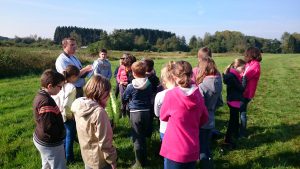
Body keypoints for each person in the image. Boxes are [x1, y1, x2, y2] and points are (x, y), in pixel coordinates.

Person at [159, 61, 208, 169]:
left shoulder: (170, 95)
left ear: (173, 76)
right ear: (192, 75)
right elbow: (205, 117)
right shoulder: (198, 94)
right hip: (192, 147)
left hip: (174, 148)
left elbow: (163, 116)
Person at [71, 75, 117, 169]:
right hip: (100, 161)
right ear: (100, 93)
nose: (108, 96)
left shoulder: (78, 104)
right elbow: (105, 143)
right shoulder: (99, 113)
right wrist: (112, 160)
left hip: (86, 155)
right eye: (107, 94)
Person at [33, 69, 66, 169]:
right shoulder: (46, 102)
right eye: (60, 87)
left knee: (47, 164)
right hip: (50, 143)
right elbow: (48, 127)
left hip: (41, 138)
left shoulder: (41, 94)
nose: (61, 89)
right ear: (50, 86)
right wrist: (61, 134)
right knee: (58, 165)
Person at [123, 61, 153, 168]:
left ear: (133, 73)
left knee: (137, 137)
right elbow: (150, 96)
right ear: (145, 72)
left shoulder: (131, 86)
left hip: (135, 112)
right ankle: (145, 159)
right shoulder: (149, 84)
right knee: (143, 136)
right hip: (146, 112)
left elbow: (124, 97)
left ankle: (138, 163)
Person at [195, 57, 223, 168]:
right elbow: (220, 102)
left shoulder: (202, 86)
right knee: (206, 144)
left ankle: (205, 165)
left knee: (202, 147)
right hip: (211, 118)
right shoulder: (218, 82)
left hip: (202, 120)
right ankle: (208, 161)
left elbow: (199, 106)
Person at [52, 65, 80, 163]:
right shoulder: (71, 87)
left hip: (57, 115)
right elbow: (67, 105)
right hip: (66, 116)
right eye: (77, 77)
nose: (77, 79)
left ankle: (62, 155)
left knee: (63, 137)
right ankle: (69, 158)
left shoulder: (59, 84)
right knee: (69, 137)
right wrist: (70, 116)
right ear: (72, 77)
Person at [154, 61, 176, 169]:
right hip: (181, 129)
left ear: (164, 79)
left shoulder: (160, 95)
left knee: (168, 155)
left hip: (165, 128)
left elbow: (157, 113)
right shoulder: (184, 93)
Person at [223, 59, 246, 147]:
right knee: (232, 121)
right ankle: (227, 139)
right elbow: (241, 88)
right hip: (234, 101)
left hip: (233, 100)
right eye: (242, 68)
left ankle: (235, 135)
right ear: (236, 67)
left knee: (235, 119)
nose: (243, 70)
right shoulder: (232, 77)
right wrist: (244, 78)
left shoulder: (233, 75)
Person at [240, 47, 262, 137]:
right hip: (244, 91)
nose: (245, 55)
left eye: (247, 54)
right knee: (241, 111)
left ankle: (242, 132)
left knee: (242, 112)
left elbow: (245, 76)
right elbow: (243, 74)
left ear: (251, 54)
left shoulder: (255, 65)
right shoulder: (249, 64)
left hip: (247, 93)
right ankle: (241, 129)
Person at [142, 58, 160, 137]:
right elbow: (157, 87)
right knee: (150, 119)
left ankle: (143, 134)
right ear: (152, 68)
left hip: (143, 101)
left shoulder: (141, 78)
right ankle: (148, 135)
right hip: (152, 100)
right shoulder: (155, 78)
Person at [117, 53, 136, 117]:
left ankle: (129, 113)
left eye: (127, 67)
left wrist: (128, 83)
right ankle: (123, 113)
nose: (126, 69)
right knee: (123, 99)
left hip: (130, 87)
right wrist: (120, 82)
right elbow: (118, 76)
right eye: (125, 67)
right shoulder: (122, 68)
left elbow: (133, 80)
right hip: (122, 86)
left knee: (129, 100)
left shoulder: (133, 71)